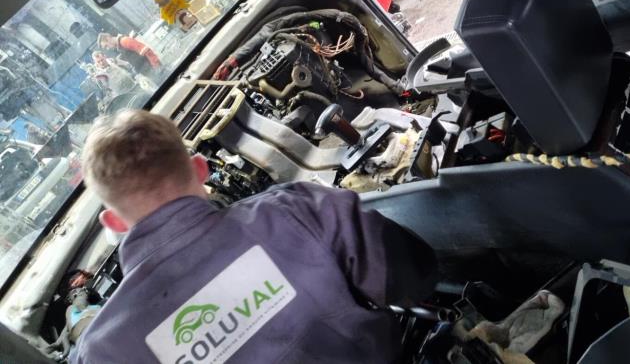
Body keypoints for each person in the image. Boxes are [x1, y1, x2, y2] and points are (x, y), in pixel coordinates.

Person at [74, 110, 437, 364]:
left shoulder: (102, 351)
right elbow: (415, 277)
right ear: (200, 169)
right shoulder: (300, 209)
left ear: (114, 223)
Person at [97, 32, 162, 76]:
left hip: (154, 69)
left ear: (108, 38)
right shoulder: (120, 47)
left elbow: (146, 51)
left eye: (106, 46)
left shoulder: (124, 41)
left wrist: (157, 66)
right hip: (149, 72)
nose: (108, 48)